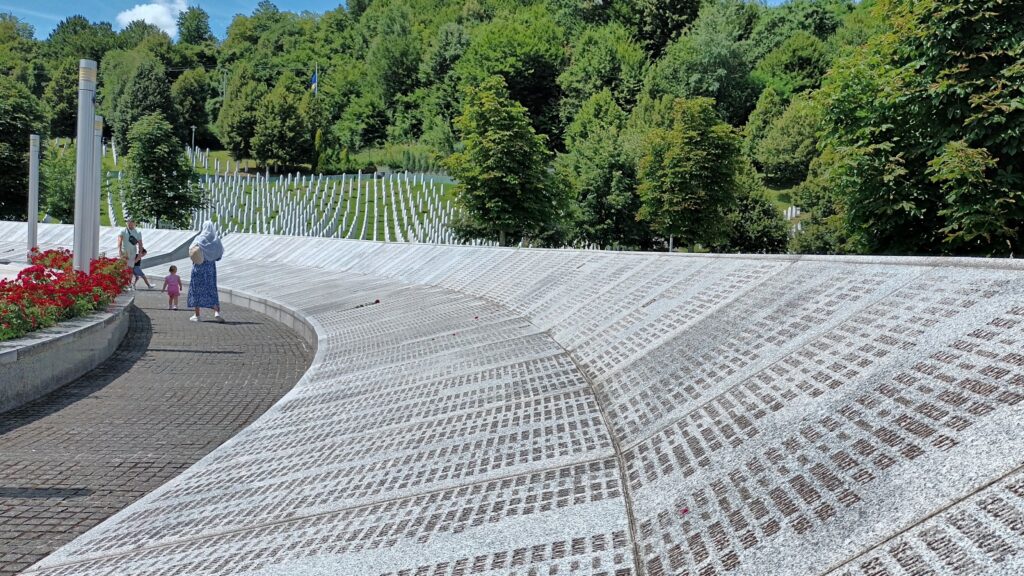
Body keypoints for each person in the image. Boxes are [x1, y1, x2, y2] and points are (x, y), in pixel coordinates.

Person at [187, 221, 225, 322]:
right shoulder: (216, 240)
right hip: (210, 269)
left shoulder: (199, 239)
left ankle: (197, 315)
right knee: (211, 289)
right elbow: (219, 256)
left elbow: (191, 250)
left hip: (198, 268)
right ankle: (216, 312)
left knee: (196, 289)